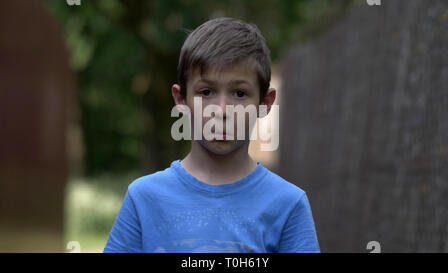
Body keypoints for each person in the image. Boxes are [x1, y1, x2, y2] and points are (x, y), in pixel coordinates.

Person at [103, 17, 320, 253]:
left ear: (264, 103)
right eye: (206, 92)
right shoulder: (144, 198)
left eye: (239, 93)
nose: (222, 110)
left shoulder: (288, 205)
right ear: (181, 99)